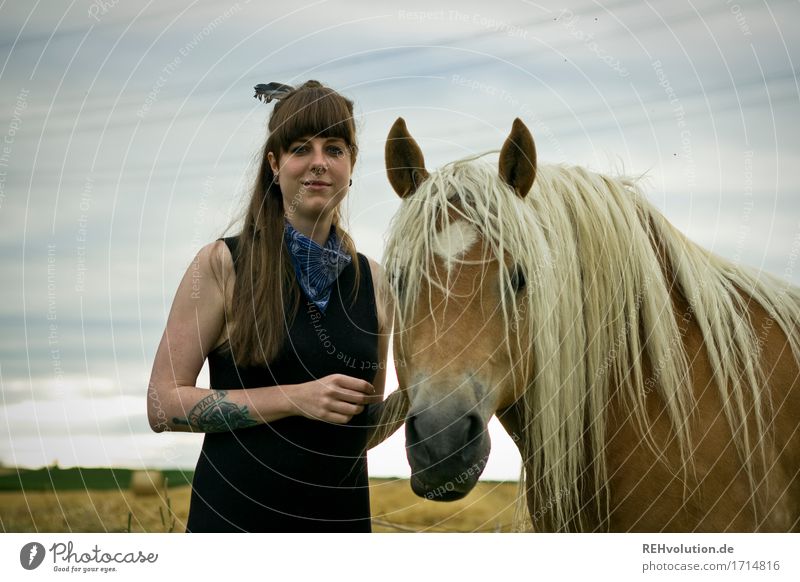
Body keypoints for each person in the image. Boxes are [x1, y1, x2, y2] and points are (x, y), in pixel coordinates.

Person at [146, 80, 405, 532]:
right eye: (301, 148)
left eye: (335, 149)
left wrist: (426, 396)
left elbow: (360, 429)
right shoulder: (220, 265)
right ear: (274, 163)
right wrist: (294, 399)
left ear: (352, 164)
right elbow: (161, 403)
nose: (319, 163)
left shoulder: (376, 282)